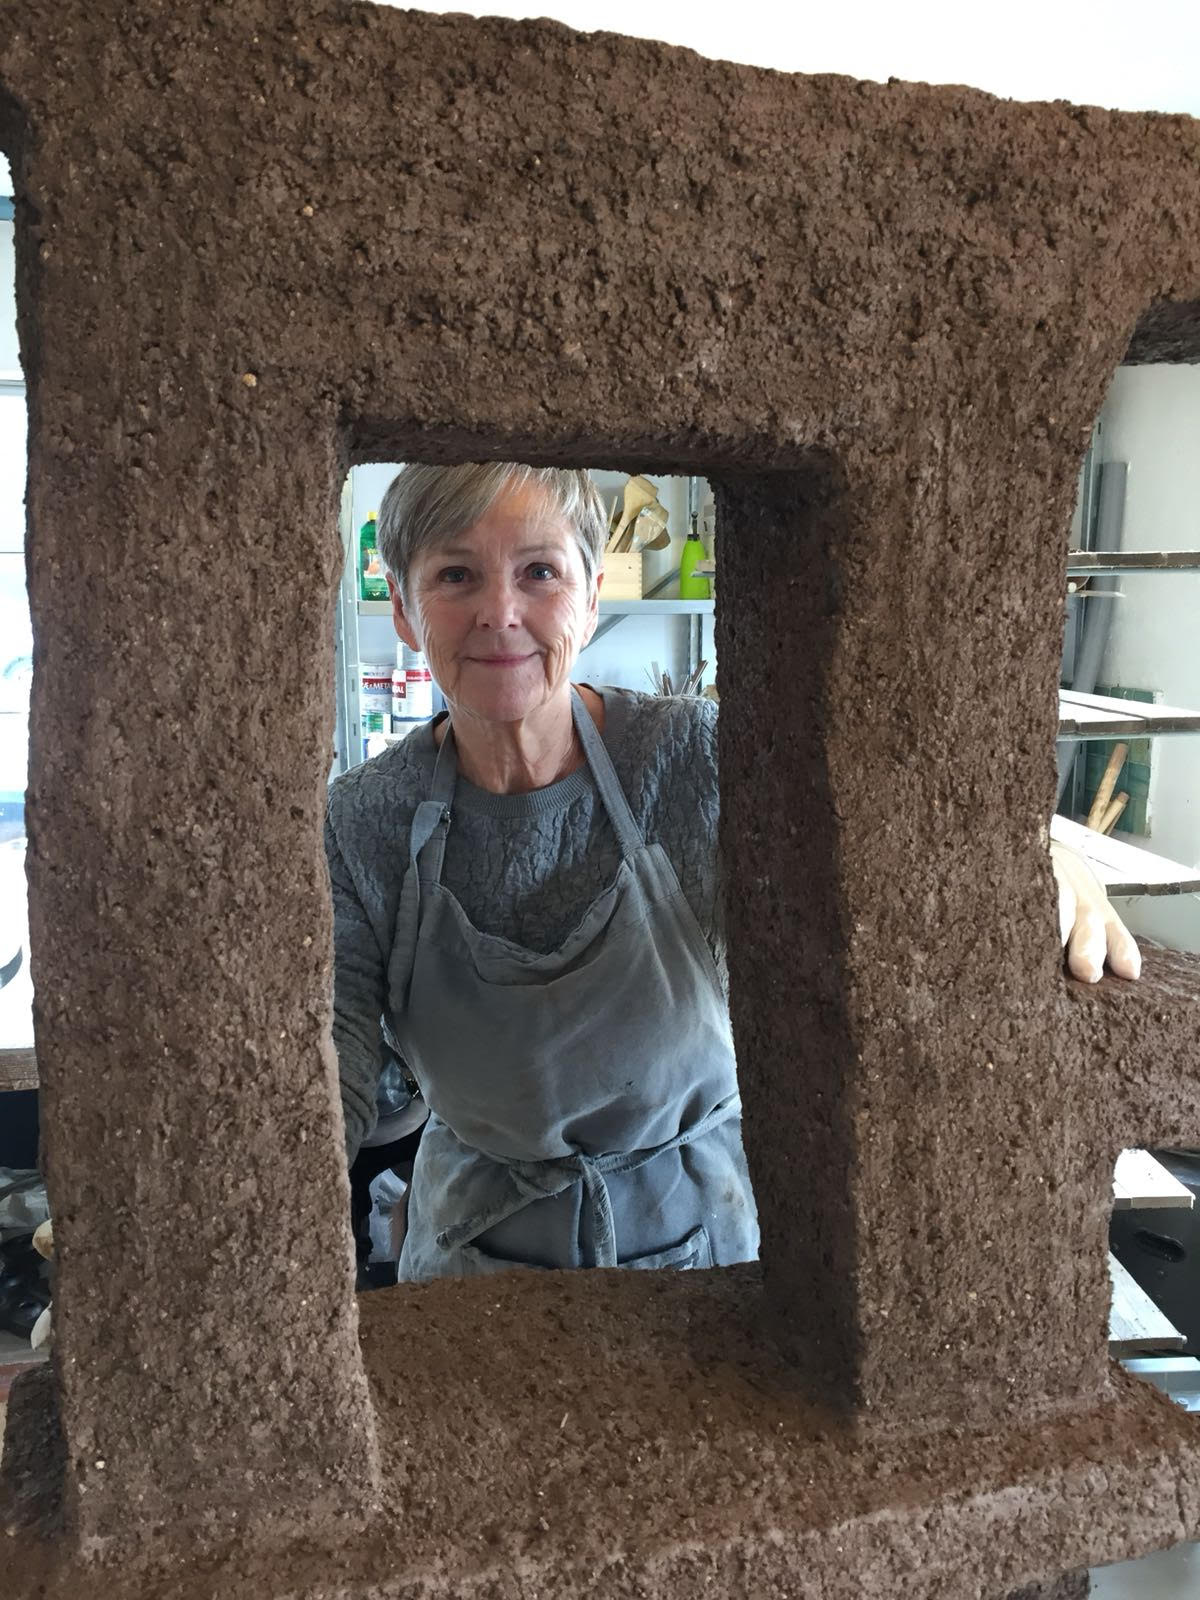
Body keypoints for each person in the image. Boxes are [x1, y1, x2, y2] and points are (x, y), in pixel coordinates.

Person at [325, 463, 1140, 1282]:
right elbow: (333, 1065)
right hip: (471, 1266)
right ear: (402, 610)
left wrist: (1034, 856)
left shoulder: (700, 757)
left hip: (701, 1244)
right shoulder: (363, 821)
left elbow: (894, 824)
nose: (501, 614)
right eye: (455, 575)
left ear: (592, 597)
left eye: (540, 571)